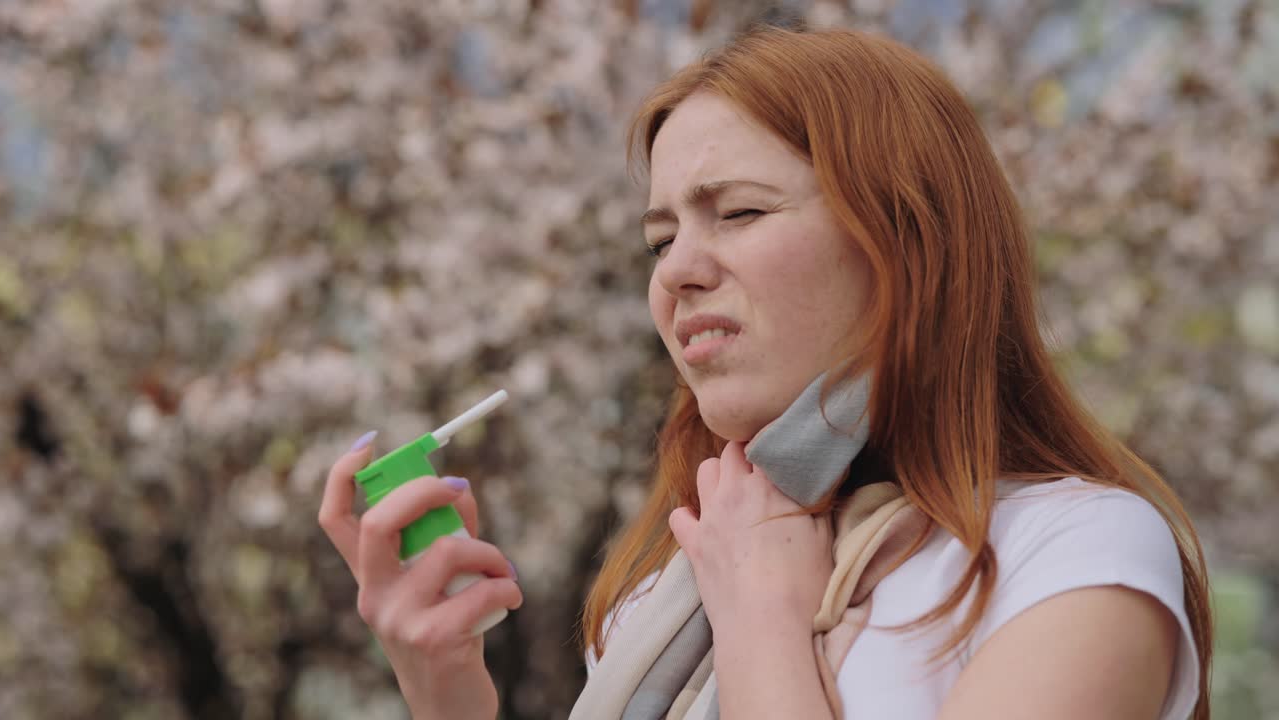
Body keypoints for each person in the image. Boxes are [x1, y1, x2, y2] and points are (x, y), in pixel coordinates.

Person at [319, 25, 1212, 720]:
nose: (676, 271)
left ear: (908, 244)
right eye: (661, 240)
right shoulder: (662, 599)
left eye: (739, 212)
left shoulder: (1075, 554)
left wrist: (765, 630)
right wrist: (447, 692)